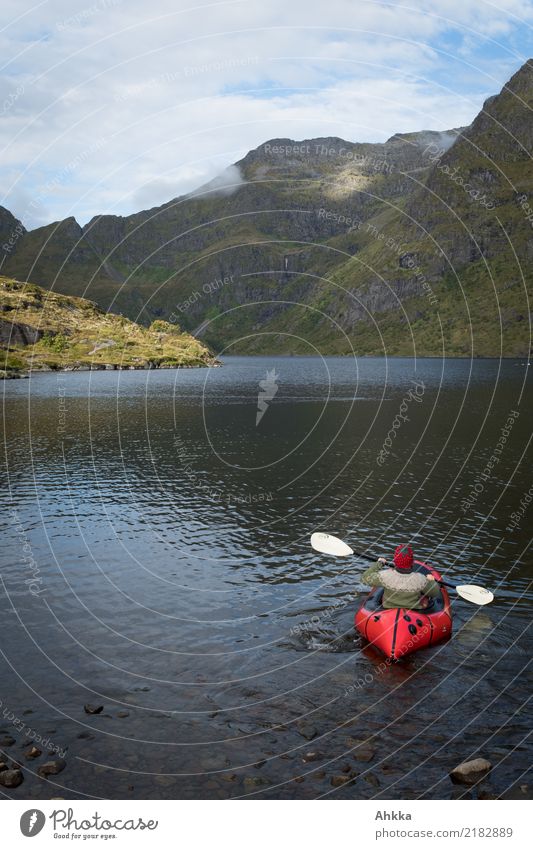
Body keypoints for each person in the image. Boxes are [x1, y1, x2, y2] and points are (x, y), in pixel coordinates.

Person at [361, 544, 440, 610]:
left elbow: (364, 578)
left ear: (395, 561)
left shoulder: (385, 576)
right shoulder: (421, 579)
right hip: (413, 613)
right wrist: (431, 580)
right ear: (412, 562)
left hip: (387, 612)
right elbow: (435, 593)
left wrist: (379, 563)